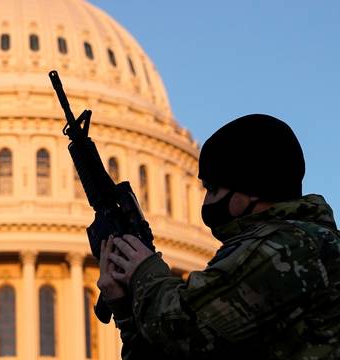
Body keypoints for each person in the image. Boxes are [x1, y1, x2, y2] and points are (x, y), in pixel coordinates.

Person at [97, 114, 340, 359]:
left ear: (251, 189)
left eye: (213, 189)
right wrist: (126, 311)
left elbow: (184, 330)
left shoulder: (288, 246)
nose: (206, 202)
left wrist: (144, 271)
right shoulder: (290, 242)